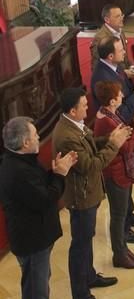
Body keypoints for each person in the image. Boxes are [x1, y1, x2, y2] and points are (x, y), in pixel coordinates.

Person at [52, 88, 130, 299]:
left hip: (89, 193)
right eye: (83, 105)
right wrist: (114, 144)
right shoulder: (67, 136)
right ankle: (80, 292)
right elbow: (90, 165)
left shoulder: (73, 125)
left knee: (87, 239)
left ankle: (89, 276)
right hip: (82, 197)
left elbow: (89, 145)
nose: (88, 106)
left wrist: (107, 138)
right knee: (80, 244)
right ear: (72, 110)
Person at [0, 117, 77, 299]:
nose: (38, 136)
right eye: (35, 134)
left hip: (36, 236)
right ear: (26, 142)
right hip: (32, 240)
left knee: (40, 281)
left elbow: (39, 188)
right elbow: (45, 199)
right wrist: (60, 174)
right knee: (36, 290)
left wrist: (54, 172)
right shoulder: (18, 171)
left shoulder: (22, 161)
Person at [92, 81, 134, 269]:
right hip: (115, 173)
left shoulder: (109, 114)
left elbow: (125, 133)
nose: (123, 96)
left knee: (122, 214)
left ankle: (123, 250)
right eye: (119, 94)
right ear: (112, 100)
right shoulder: (106, 120)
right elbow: (126, 147)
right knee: (118, 216)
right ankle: (119, 254)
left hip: (121, 170)